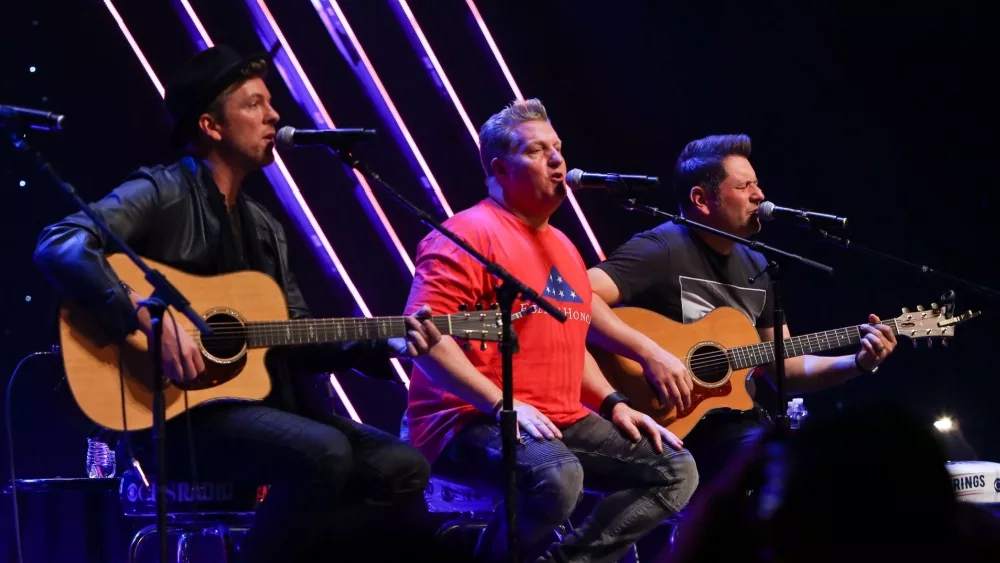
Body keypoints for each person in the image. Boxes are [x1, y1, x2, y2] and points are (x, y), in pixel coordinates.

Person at [33, 46, 442, 562]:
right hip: (173, 418)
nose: (274, 116)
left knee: (403, 467)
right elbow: (62, 242)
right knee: (324, 453)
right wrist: (145, 317)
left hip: (260, 412)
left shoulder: (265, 228)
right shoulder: (162, 191)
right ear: (211, 125)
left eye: (270, 104)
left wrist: (384, 339)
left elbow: (297, 334)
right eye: (254, 104)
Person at [402, 98, 698, 563]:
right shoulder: (464, 236)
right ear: (500, 169)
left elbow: (569, 340)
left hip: (556, 420)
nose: (557, 159)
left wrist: (613, 403)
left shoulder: (563, 246)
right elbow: (425, 340)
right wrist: (503, 404)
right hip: (467, 419)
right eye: (537, 151)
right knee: (558, 477)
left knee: (675, 468)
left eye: (557, 147)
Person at [587, 133, 899, 488]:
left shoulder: (758, 265)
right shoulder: (661, 248)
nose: (760, 195)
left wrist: (858, 363)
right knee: (783, 466)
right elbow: (579, 296)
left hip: (735, 427)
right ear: (701, 200)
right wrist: (648, 352)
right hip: (667, 423)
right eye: (745, 185)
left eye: (758, 184)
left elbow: (786, 368)